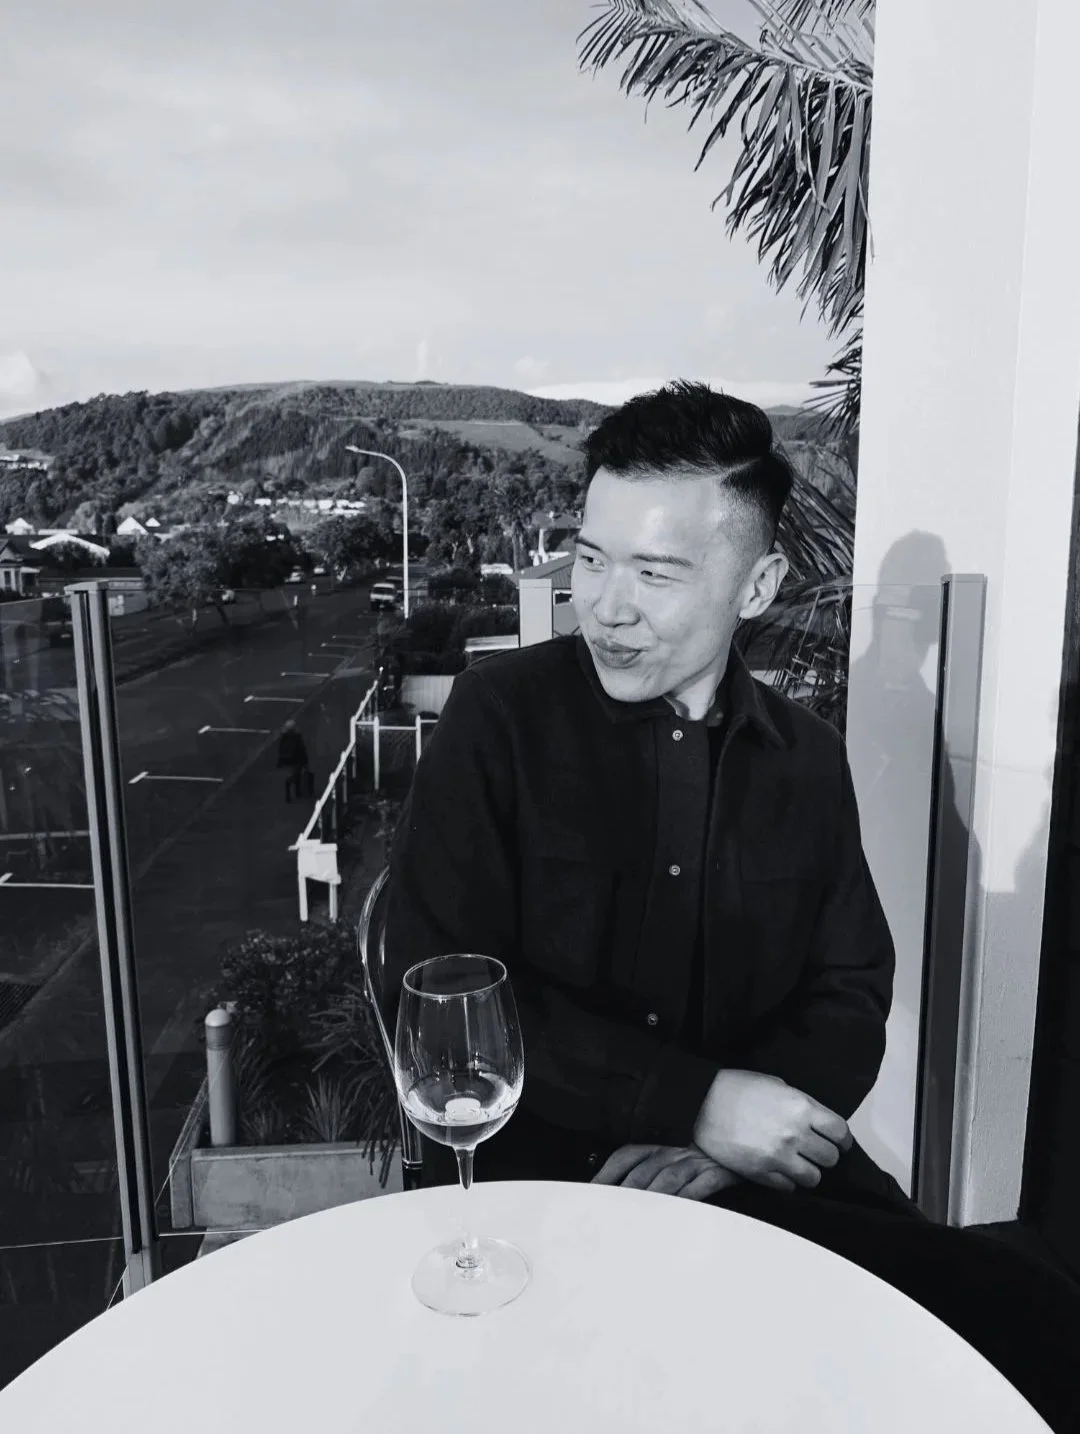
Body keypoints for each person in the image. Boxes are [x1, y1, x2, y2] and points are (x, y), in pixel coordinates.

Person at [385, 381, 1080, 1430]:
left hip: (753, 1189)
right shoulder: (498, 721)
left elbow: (850, 991)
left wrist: (725, 1137)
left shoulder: (805, 763)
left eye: (657, 573)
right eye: (590, 558)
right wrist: (692, 1099)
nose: (607, 606)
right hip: (541, 1194)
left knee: (1029, 1316)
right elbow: (440, 993)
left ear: (757, 584)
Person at [276, 719, 312, 803]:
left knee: (291, 775)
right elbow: (302, 749)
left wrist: (280, 761)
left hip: (286, 760)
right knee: (297, 775)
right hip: (297, 759)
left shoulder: (283, 737)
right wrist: (305, 761)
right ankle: (297, 792)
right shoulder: (297, 737)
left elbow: (281, 749)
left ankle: (289, 794)